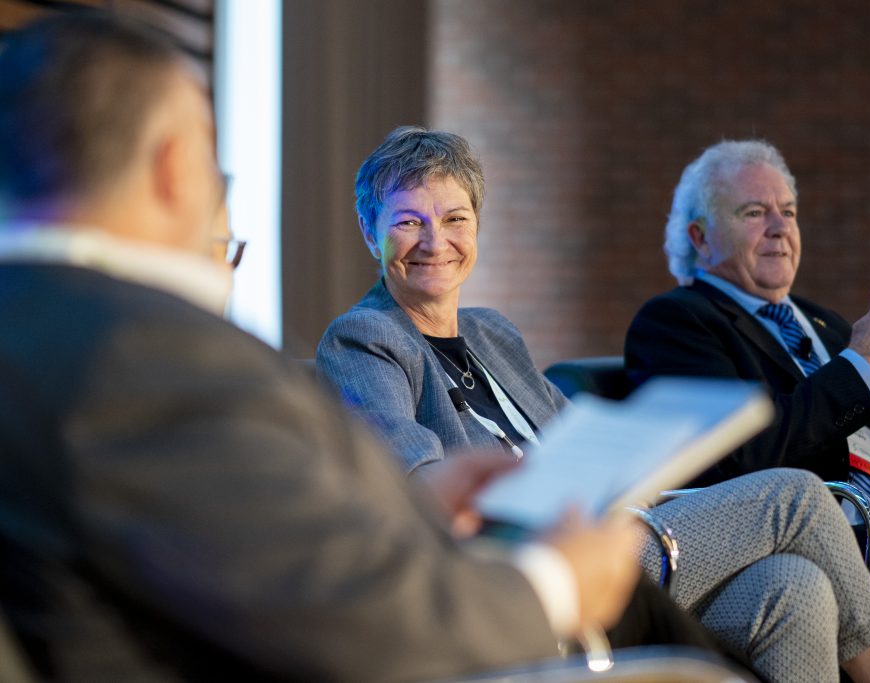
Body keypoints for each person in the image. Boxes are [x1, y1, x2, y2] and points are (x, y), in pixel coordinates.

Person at [0, 13, 717, 682]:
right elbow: (352, 614)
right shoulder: (142, 352)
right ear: (173, 165)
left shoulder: (53, 329)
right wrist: (555, 584)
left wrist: (420, 506)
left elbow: (238, 536)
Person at [317, 126, 870, 683]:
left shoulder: (491, 331)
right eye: (407, 222)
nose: (435, 242)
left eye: (454, 218)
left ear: (476, 226)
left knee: (796, 588)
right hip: (529, 564)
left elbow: (578, 441)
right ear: (371, 231)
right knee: (796, 495)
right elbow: (422, 489)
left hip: (612, 530)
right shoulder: (364, 338)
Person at [624, 138, 870, 682]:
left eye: (787, 211)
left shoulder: (827, 323)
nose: (779, 227)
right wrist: (861, 361)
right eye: (753, 212)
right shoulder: (677, 323)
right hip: (838, 538)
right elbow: (743, 457)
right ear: (699, 236)